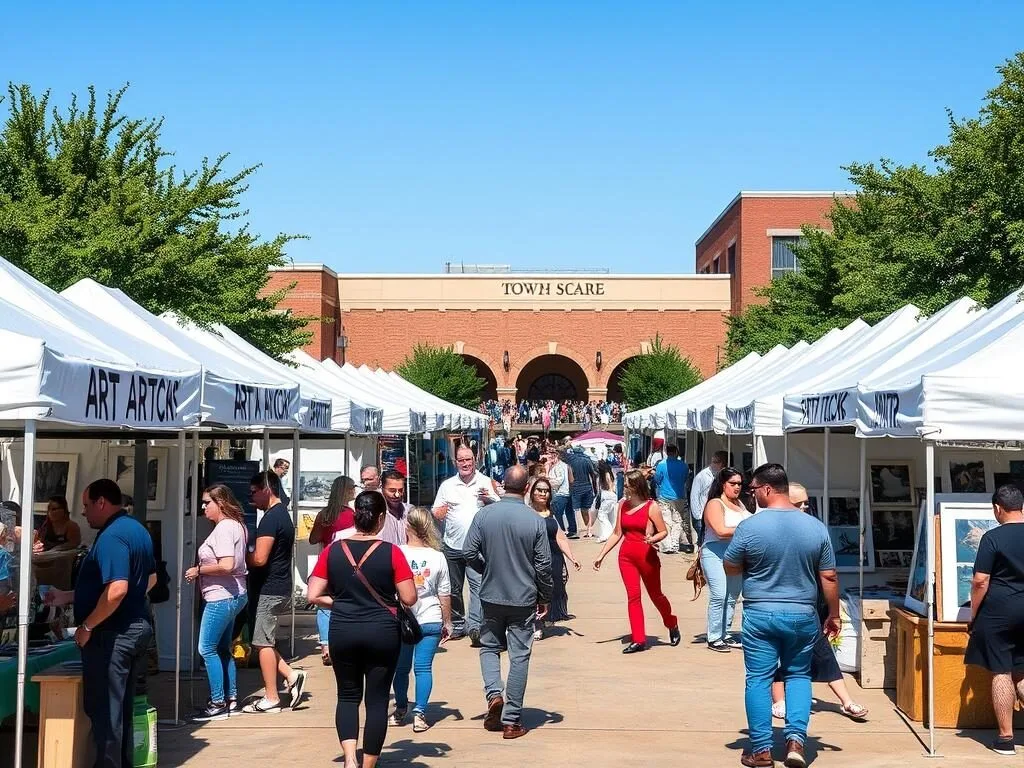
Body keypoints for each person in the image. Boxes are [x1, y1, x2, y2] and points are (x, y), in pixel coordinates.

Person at [724, 463, 840, 768]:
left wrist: (752, 567)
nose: (751, 496)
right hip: (802, 613)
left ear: (765, 489)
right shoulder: (815, 527)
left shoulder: (750, 527)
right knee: (799, 675)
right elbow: (828, 576)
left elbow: (730, 565)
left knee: (759, 679)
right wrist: (835, 614)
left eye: (752, 490)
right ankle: (796, 743)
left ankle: (761, 749)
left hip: (760, 612)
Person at [44, 479, 156, 768]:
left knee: (107, 714)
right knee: (119, 712)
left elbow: (117, 589)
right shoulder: (136, 529)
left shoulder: (112, 536)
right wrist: (69, 597)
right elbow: (149, 580)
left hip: (113, 635)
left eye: (86, 505)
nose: (83, 513)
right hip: (132, 628)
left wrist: (87, 626)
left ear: (102, 502)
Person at [307, 491, 417, 768]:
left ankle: (348, 759)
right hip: (382, 631)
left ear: (356, 516)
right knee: (377, 700)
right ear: (381, 519)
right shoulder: (392, 552)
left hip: (343, 629)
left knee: (346, 695)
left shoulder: (334, 549)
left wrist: (341, 602)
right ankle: (368, 764)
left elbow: (313, 594)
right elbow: (409, 598)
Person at [463, 465, 552, 739]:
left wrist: (487, 568)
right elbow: (544, 565)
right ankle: (511, 720)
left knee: (489, 648)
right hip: (522, 597)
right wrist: (545, 596)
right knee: (519, 656)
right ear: (527, 488)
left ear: (502, 485)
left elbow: (468, 551)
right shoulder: (534, 520)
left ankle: (494, 696)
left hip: (491, 594)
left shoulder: (484, 515)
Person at [771, 483, 868, 722]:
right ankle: (779, 699)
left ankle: (846, 701)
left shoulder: (814, 529)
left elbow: (828, 572)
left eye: (806, 503)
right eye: (799, 503)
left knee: (822, 651)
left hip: (812, 602)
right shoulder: (773, 529)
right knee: (779, 652)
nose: (805, 507)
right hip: (781, 602)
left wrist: (832, 609)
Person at [593, 469, 680, 654]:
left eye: (627, 485)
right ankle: (638, 639)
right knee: (633, 597)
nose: (624, 488)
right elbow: (617, 533)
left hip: (647, 556)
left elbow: (663, 531)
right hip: (626, 557)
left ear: (636, 486)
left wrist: (653, 539)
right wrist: (601, 555)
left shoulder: (652, 506)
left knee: (656, 595)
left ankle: (671, 622)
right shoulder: (623, 505)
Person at [965, 484, 1024, 756]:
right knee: (1021, 673)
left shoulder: (992, 538)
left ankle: (1005, 738)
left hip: (1000, 611)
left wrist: (973, 614)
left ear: (998, 509)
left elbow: (980, 581)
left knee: (1001, 671)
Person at [184, 484, 250, 721]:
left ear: (220, 503)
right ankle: (230, 699)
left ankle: (218, 702)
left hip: (222, 597)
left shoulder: (224, 528)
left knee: (206, 648)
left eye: (206, 503)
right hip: (235, 595)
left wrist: (197, 570)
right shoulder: (237, 525)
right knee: (222, 649)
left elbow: (227, 564)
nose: (203, 508)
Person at [243, 470, 306, 714]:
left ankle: (271, 697)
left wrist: (241, 557)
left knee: (262, 643)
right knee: (263, 640)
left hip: (270, 588)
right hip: (277, 586)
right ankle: (292, 676)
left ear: (267, 489)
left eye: (254, 492)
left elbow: (259, 558)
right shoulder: (281, 515)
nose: (251, 498)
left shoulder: (271, 518)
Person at [391, 507, 453, 732]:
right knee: (423, 668)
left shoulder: (397, 553)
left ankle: (400, 709)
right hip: (431, 617)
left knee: (401, 668)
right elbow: (444, 593)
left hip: (404, 619)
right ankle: (420, 713)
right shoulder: (438, 557)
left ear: (408, 526)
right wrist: (447, 622)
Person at [432, 445, 500, 644]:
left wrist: (488, 499)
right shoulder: (447, 485)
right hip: (452, 545)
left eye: (468, 459)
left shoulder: (486, 482)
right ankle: (458, 624)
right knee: (453, 588)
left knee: (478, 587)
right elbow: (436, 511)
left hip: (478, 547)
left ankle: (475, 626)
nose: (465, 463)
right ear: (455, 462)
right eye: (461, 460)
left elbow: (499, 507)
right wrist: (440, 512)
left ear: (475, 460)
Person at [701, 467, 752, 652]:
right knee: (719, 594)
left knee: (732, 595)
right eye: (733, 483)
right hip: (715, 552)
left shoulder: (740, 504)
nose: (737, 487)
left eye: (739, 483)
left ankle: (726, 632)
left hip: (736, 553)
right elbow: (721, 531)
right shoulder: (715, 503)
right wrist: (747, 531)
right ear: (723, 484)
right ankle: (714, 636)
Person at [527, 477, 580, 639]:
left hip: (553, 557)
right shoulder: (526, 512)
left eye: (546, 491)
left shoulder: (551, 513)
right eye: (539, 490)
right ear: (532, 492)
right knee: (534, 591)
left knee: (551, 590)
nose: (543, 493)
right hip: (533, 558)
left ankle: (544, 619)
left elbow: (561, 537)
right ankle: (535, 623)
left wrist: (571, 558)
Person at [653, 445, 691, 555]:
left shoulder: (661, 465)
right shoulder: (684, 466)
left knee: (666, 521)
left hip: (664, 496)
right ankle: (675, 544)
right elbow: (685, 479)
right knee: (677, 521)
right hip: (679, 496)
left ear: (667, 452)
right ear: (676, 452)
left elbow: (657, 479)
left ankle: (667, 545)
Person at [690, 451, 728, 540]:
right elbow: (694, 497)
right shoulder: (702, 476)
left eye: (717, 462)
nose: (715, 465)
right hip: (702, 516)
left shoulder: (722, 475)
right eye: (714, 462)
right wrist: (698, 517)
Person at [565, 444, 598, 539]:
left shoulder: (570, 461)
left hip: (575, 487)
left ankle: (577, 530)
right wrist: (595, 488)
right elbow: (593, 475)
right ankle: (589, 531)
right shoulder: (587, 460)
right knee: (586, 509)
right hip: (587, 487)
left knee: (576, 510)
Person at [379, 470, 412, 545]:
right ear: (382, 488)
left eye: (400, 490)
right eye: (392, 490)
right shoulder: (376, 513)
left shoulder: (410, 511)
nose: (397, 495)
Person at [548, 448, 573, 535]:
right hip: (564, 492)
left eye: (551, 454)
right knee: (569, 512)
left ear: (556, 455)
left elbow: (559, 480)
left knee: (557, 513)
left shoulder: (559, 466)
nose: (549, 456)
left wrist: (548, 481)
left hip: (560, 493)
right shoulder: (559, 465)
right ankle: (572, 530)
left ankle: (561, 531)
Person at [594, 460, 618, 542]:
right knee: (611, 517)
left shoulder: (601, 477)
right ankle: (612, 533)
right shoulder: (610, 474)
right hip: (613, 496)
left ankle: (607, 534)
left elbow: (599, 490)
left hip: (605, 496)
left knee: (602, 515)